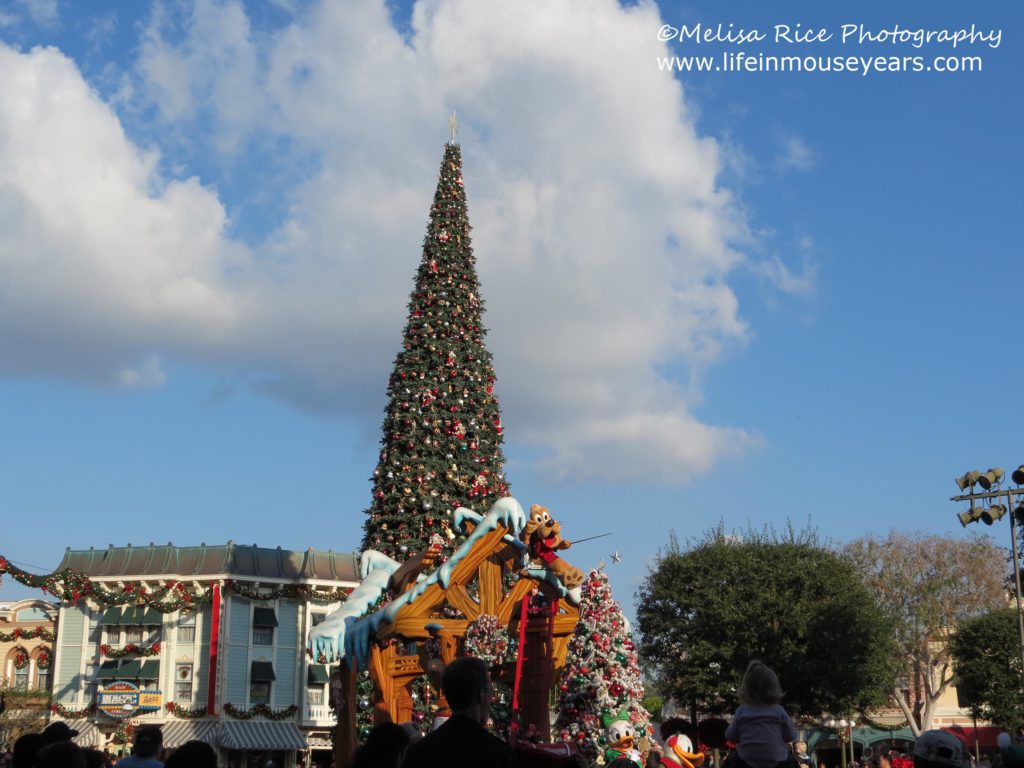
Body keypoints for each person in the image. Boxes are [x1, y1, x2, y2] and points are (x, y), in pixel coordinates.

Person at [400, 656, 518, 768]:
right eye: (490, 692)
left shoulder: (419, 753)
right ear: (481, 694)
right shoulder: (500, 755)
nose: (491, 699)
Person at [723, 661, 797, 768]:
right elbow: (791, 735)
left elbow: (731, 736)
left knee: (730, 761)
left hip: (746, 760)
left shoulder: (742, 711)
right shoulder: (779, 711)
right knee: (792, 762)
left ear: (745, 690)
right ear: (775, 689)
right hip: (777, 760)